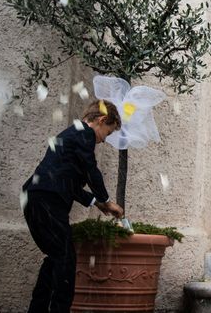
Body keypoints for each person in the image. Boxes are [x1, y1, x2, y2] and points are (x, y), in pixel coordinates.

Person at [22, 100, 125, 313]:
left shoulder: (72, 134)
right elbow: (91, 170)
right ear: (101, 120)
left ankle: (37, 309)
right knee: (66, 260)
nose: (104, 140)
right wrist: (105, 198)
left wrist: (98, 205)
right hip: (47, 200)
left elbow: (70, 184)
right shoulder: (84, 134)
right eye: (108, 133)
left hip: (35, 198)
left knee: (56, 256)